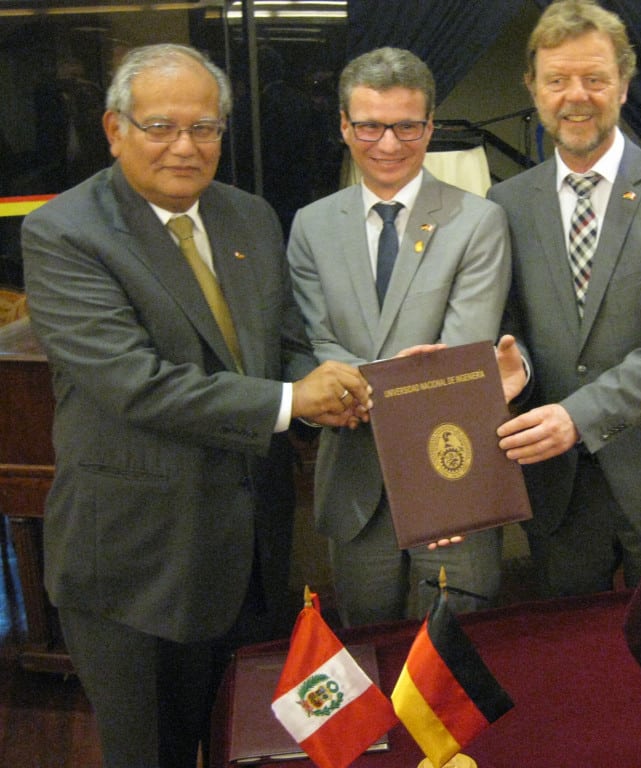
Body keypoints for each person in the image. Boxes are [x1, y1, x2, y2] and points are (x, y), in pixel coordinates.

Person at [21, 43, 369, 768]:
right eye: (161, 126)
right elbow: (136, 384)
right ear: (115, 130)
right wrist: (288, 398)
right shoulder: (64, 234)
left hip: (251, 556)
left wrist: (327, 388)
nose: (185, 145)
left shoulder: (249, 217)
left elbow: (283, 345)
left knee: (251, 747)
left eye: (204, 127)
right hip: (136, 566)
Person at [490, 0, 641, 597]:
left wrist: (580, 416)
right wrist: (514, 365)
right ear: (533, 88)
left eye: (595, 79)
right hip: (559, 483)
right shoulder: (504, 202)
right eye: (557, 80)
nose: (576, 95)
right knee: (578, 660)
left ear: (624, 86)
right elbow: (512, 326)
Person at [287, 47, 511, 626]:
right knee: (371, 650)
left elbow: (463, 353)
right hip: (356, 482)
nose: (388, 144)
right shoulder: (311, 227)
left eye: (407, 126)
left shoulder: (477, 221)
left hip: (451, 471)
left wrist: (361, 382)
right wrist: (399, 378)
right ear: (344, 125)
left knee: (454, 656)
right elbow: (320, 346)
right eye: (369, 126)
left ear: (430, 126)